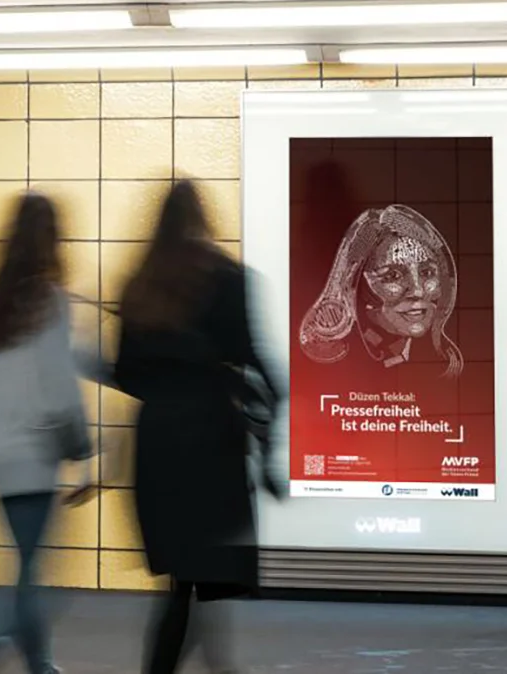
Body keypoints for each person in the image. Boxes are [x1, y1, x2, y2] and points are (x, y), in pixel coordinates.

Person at [100, 181, 283, 674]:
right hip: (211, 439)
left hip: (159, 443)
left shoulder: (140, 284)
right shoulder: (227, 278)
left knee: (187, 579)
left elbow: (126, 373)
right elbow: (255, 360)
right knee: (199, 580)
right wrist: (270, 440)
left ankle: (214, 665)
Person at [0, 191, 95, 674]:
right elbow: (59, 385)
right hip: (34, 452)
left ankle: (39, 662)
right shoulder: (49, 300)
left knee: (26, 564)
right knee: (29, 572)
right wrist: (81, 448)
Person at [298, 204, 463, 376]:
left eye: (427, 273)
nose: (417, 291)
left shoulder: (442, 364)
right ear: (357, 283)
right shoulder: (336, 370)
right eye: (392, 276)